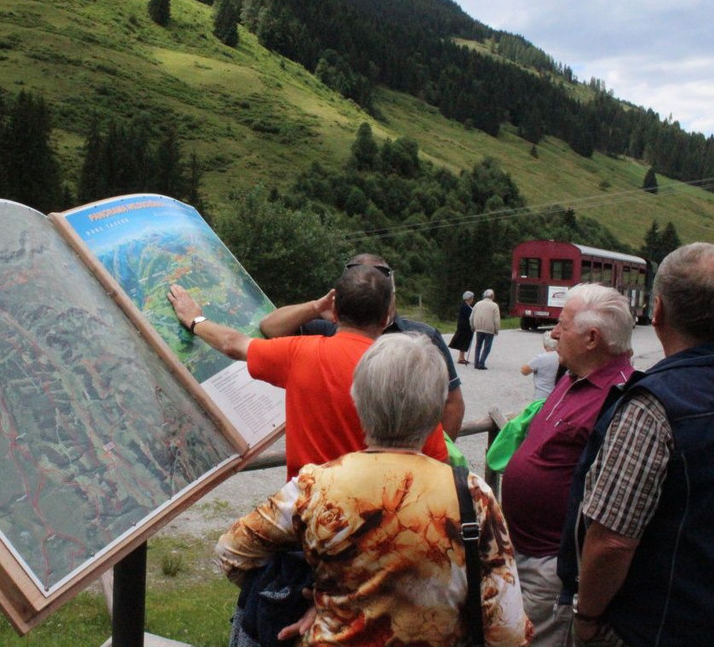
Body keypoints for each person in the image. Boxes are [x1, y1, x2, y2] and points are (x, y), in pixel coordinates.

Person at [216, 333, 533, 646]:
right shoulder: (472, 495)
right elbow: (509, 631)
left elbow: (232, 553)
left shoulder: (315, 486)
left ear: (357, 400)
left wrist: (305, 594)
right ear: (437, 408)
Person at [570, 243, 714, 646]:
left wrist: (586, 617)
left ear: (658, 311)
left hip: (658, 629)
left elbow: (612, 541)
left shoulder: (653, 407)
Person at [167, 264, 447, 479]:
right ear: (387, 317)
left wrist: (194, 319)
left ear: (334, 312)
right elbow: (437, 461)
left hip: (312, 517)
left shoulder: (300, 353)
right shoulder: (409, 372)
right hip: (383, 519)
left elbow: (233, 343)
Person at [500, 283, 635, 646]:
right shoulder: (574, 375)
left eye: (562, 323)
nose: (555, 333)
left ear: (592, 338)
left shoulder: (619, 398)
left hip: (551, 569)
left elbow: (614, 519)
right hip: (522, 552)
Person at [258, 253, 465, 444]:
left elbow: (453, 404)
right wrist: (316, 308)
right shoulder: (327, 328)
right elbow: (270, 327)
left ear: (393, 294)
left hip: (401, 461)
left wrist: (434, 455)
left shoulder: (423, 336)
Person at [520, 331, 560, 401]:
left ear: (545, 345)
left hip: (541, 397)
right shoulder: (563, 357)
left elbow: (524, 371)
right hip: (557, 396)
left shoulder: (541, 358)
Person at [470, 289, 500, 369]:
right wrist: (496, 329)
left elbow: (471, 317)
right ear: (492, 296)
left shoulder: (477, 304)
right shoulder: (494, 306)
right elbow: (496, 320)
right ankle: (481, 363)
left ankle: (476, 363)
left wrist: (472, 326)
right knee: (487, 347)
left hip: (479, 328)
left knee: (478, 346)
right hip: (489, 330)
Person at [449, 291, 475, 365]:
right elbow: (470, 316)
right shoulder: (465, 307)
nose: (473, 300)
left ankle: (462, 357)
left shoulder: (467, 306)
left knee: (464, 342)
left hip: (465, 327)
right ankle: (461, 358)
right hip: (464, 328)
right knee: (463, 342)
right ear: (469, 299)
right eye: (472, 298)